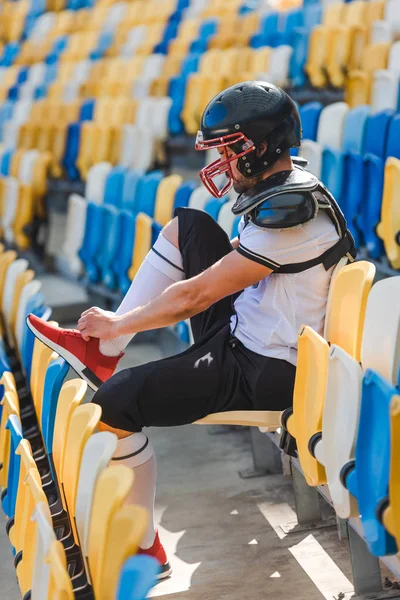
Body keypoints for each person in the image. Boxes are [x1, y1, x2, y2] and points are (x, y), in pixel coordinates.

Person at [27, 81, 356, 579]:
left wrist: (121, 318)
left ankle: (143, 551)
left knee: (115, 403)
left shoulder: (291, 217)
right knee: (190, 226)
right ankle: (105, 351)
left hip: (269, 366)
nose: (221, 161)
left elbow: (195, 296)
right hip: (251, 331)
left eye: (228, 149)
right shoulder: (282, 189)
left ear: (258, 147)